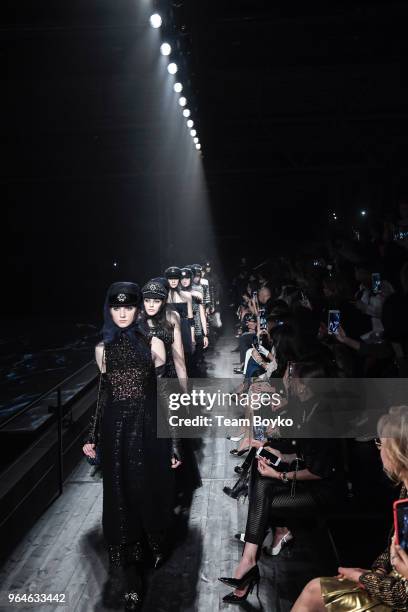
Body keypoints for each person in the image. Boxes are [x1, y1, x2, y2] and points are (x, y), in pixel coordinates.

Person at [82, 282, 181, 611]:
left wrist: (175, 443)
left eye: (128, 306)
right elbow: (103, 394)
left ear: (138, 309)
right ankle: (129, 568)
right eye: (115, 307)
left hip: (148, 426)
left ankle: (150, 545)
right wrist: (92, 436)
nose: (122, 312)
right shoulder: (102, 349)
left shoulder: (155, 343)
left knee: (145, 488)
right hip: (115, 429)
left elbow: (166, 397)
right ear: (109, 310)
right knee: (119, 492)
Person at [218, 361, 341, 604]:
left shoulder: (321, 418)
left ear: (307, 387)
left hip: (323, 491)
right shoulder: (308, 408)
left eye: (295, 380)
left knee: (263, 503)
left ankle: (249, 566)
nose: (291, 382)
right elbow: (302, 453)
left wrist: (281, 475)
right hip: (306, 478)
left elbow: (319, 471)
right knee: (262, 480)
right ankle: (248, 562)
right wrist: (280, 455)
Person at [292, 404, 408, 611]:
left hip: (398, 598)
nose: (378, 449)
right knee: (315, 589)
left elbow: (402, 595)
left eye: (381, 444)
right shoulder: (404, 491)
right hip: (391, 583)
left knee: (314, 592)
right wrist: (378, 572)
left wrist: (362, 576)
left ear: (398, 454)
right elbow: (394, 546)